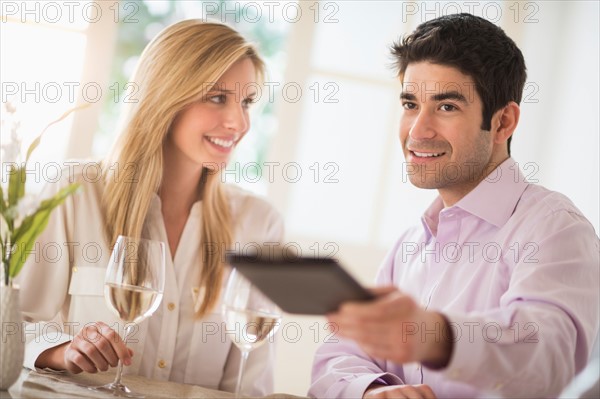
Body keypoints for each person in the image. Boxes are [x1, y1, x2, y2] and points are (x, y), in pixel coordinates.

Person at [309, 13, 599, 399]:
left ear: (502, 122)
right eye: (411, 103)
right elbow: (341, 354)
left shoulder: (555, 228)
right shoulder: (410, 244)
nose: (417, 130)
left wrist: (437, 337)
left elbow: (548, 359)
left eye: (446, 106)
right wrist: (373, 391)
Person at [16, 19, 283, 396]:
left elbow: (251, 382)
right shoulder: (74, 192)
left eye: (247, 102)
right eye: (218, 97)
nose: (239, 122)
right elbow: (11, 326)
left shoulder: (259, 224)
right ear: (166, 94)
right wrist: (60, 351)